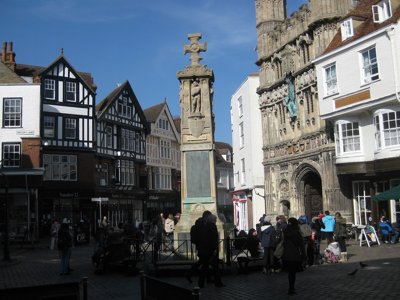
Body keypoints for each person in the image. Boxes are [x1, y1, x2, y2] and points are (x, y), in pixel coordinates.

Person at [197, 213, 224, 288]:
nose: (216, 221)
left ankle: (201, 283)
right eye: (215, 220)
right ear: (213, 220)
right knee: (215, 267)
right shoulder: (212, 226)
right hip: (210, 250)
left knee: (204, 267)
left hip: (205, 250)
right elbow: (214, 239)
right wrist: (215, 249)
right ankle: (218, 283)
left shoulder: (205, 226)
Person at [282, 217, 305, 295]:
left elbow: (283, 243)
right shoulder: (297, 232)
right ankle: (291, 287)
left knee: (290, 273)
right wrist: (304, 255)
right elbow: (301, 245)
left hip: (286, 254)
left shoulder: (285, 231)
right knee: (293, 273)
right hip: (295, 254)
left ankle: (291, 287)